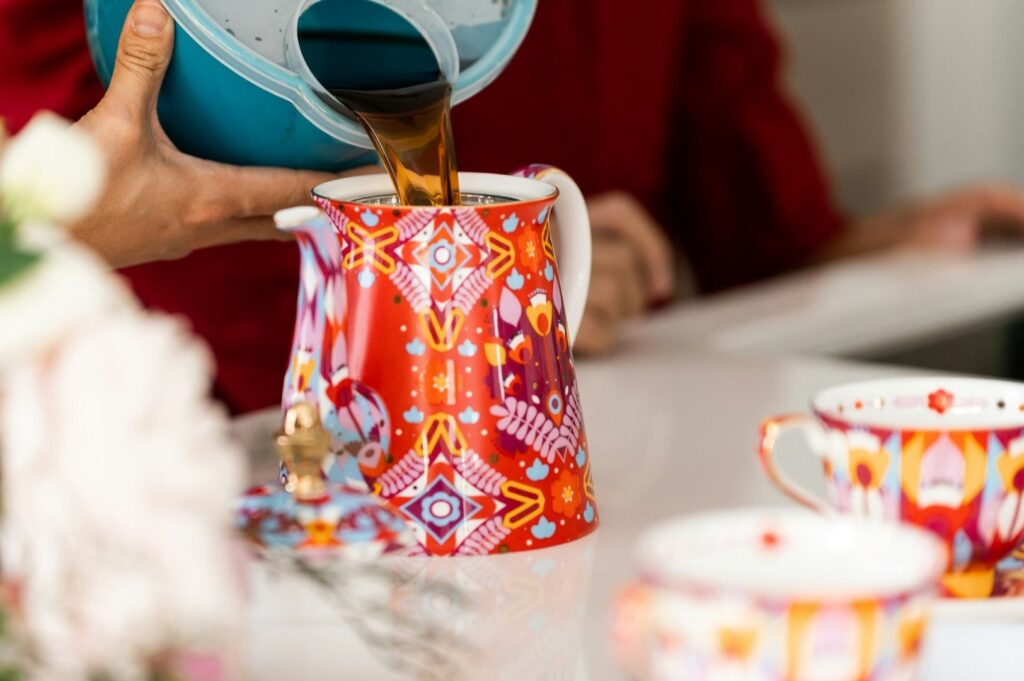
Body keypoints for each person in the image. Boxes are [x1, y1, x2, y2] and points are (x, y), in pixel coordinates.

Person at [4, 0, 1024, 412]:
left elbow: (747, 216)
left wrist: (862, 248)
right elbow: (42, 194)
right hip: (210, 488)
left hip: (595, 476)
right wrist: (63, 226)